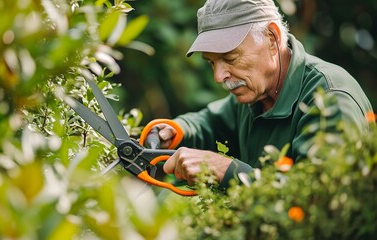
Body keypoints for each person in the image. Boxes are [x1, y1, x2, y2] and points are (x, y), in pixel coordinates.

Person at [144, 0, 373, 189]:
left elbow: (320, 199)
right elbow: (213, 121)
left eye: (230, 58)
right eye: (211, 63)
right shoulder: (256, 91)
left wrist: (228, 171)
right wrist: (175, 130)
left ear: (272, 39)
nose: (218, 76)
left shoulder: (330, 98)